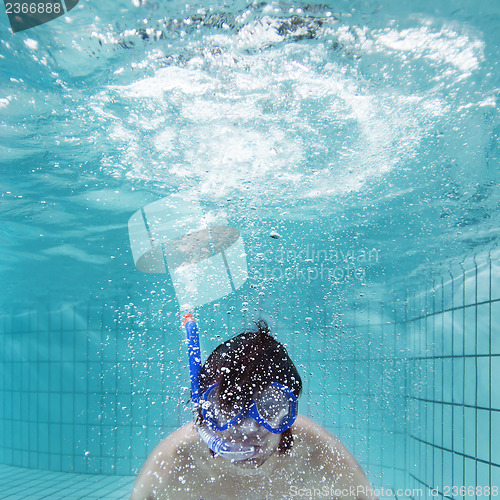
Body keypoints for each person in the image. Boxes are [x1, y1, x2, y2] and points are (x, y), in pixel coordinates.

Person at [130, 320, 378, 500]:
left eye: (270, 408)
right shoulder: (177, 461)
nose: (248, 430)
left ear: (290, 411)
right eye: (229, 408)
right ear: (205, 412)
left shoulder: (316, 451)